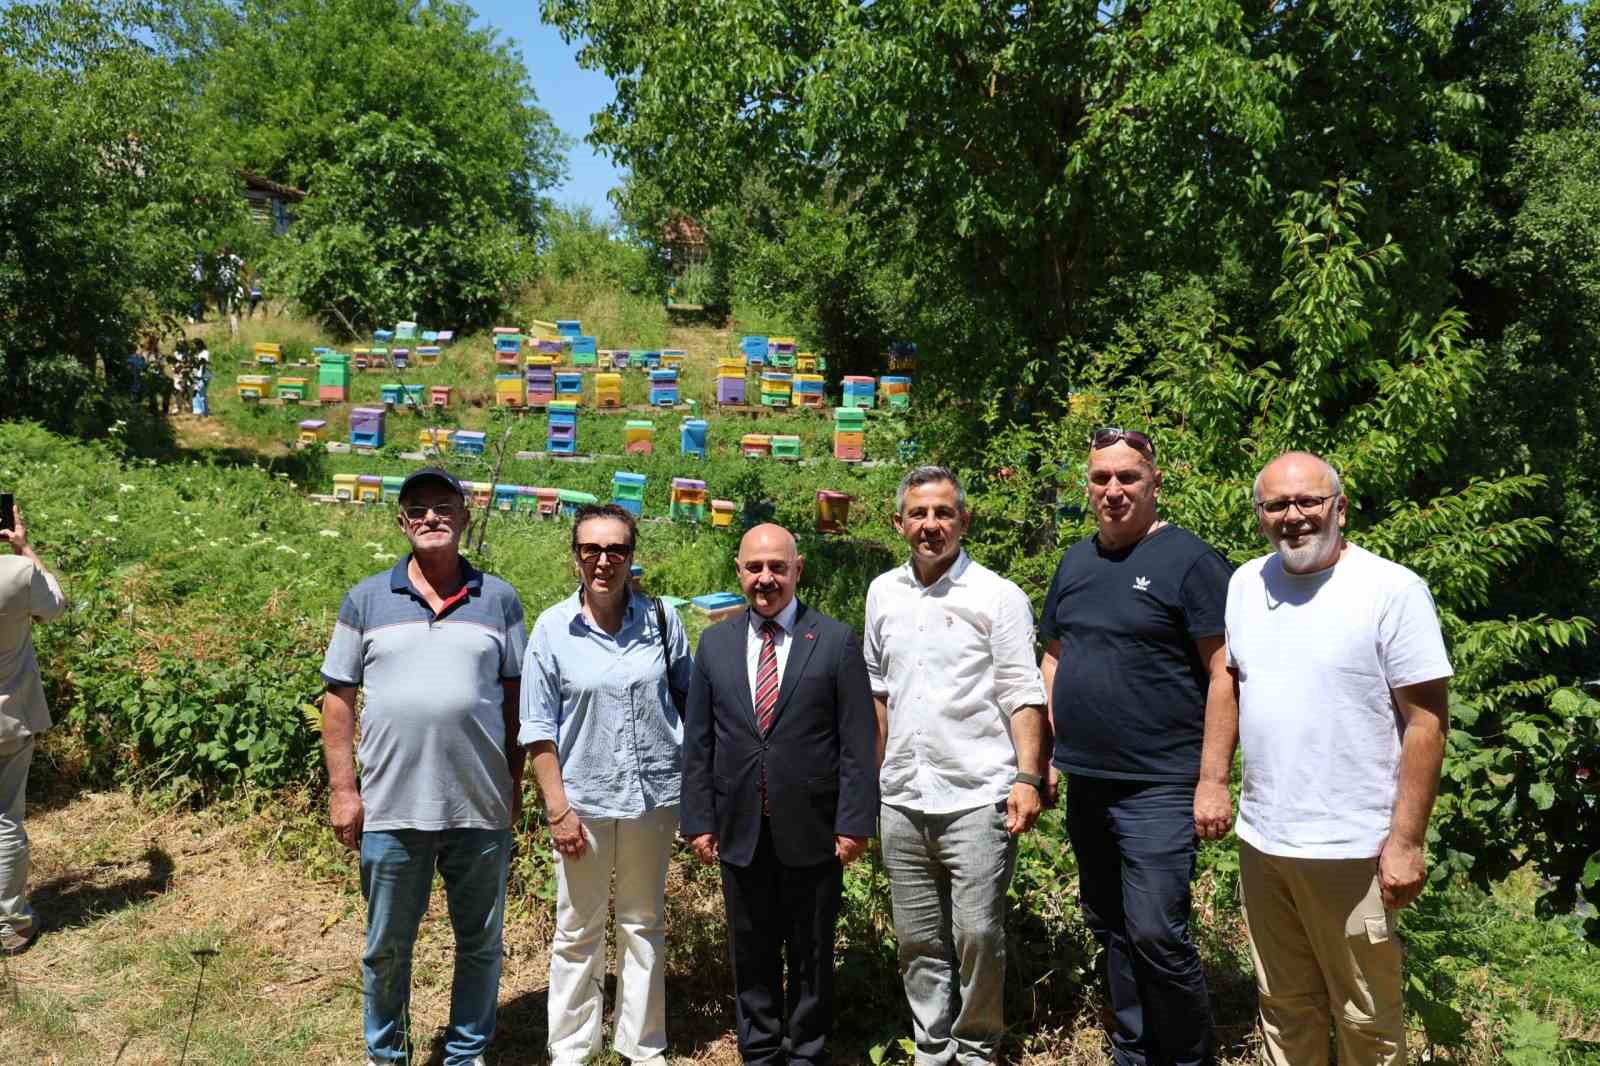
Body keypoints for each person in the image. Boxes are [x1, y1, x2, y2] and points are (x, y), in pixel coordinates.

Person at [1204, 451, 1451, 1066]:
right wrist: (1212, 780)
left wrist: (1406, 842)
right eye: (1276, 505)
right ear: (1260, 514)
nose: (1293, 516)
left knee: (1367, 1018)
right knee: (1284, 1006)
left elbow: (1426, 722)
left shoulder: (1391, 590)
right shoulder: (1245, 583)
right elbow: (1229, 683)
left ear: (1340, 507)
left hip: (1353, 848)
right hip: (1263, 842)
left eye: (1308, 501)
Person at [1038, 428, 1234, 1066]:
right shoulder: (1076, 562)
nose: (1114, 490)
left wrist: (1213, 780)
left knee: (1155, 932)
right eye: (1101, 478)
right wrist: (1046, 753)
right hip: (1088, 781)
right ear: (1087, 486)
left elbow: (1225, 673)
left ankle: (1186, 1057)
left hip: (1161, 785)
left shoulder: (1191, 562)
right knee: (1111, 925)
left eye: (1128, 477)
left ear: (1155, 483)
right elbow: (1053, 656)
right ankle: (1134, 1050)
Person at [319, 467, 526, 1066]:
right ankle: (387, 1055)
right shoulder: (366, 599)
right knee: (386, 947)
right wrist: (343, 790)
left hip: (479, 805)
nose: (431, 517)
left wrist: (514, 783)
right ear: (401, 522)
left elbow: (517, 702)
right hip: (390, 807)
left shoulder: (501, 600)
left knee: (480, 943)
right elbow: (338, 699)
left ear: (465, 517)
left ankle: (466, 1054)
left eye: (443, 506)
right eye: (417, 509)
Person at [865, 466, 1049, 1066]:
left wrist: (1027, 777)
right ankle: (932, 1046)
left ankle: (975, 1048)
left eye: (943, 512)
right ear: (898, 522)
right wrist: (870, 781)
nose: (931, 524)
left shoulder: (997, 595)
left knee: (977, 934)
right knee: (917, 940)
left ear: (964, 521)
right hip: (902, 795)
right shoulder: (882, 593)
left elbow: (1023, 692)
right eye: (918, 513)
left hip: (977, 794)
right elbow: (879, 694)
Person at [680, 523, 878, 1066]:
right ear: (739, 572)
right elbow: (698, 741)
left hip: (814, 827)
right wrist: (699, 818)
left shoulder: (834, 640)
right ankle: (761, 1049)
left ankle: (807, 1050)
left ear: (798, 569)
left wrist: (854, 822)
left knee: (812, 949)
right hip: (739, 826)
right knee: (750, 946)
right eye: (754, 568)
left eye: (777, 567)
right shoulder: (715, 643)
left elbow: (857, 741)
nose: (765, 579)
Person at [521, 504, 692, 1066]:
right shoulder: (552, 629)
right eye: (591, 549)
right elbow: (538, 728)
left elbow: (690, 702)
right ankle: (573, 1047)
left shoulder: (663, 620)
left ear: (631, 556)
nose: (603, 561)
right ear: (575, 556)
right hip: (583, 800)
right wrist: (557, 809)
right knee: (578, 927)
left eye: (615, 549)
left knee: (644, 923)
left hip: (653, 797)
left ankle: (642, 1045)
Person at [0, 501, 67, 956]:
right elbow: (56, 606)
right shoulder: (17, 574)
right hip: (8, 719)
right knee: (5, 819)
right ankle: (10, 925)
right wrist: (24, 548)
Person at [190, 340, 211, 417]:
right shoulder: (196, 353)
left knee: (201, 392)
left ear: (199, 345)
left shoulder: (205, 353)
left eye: (194, 345)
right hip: (197, 375)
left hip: (204, 376)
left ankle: (204, 412)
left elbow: (204, 364)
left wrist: (201, 377)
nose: (193, 347)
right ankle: (198, 411)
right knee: (196, 392)